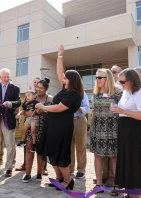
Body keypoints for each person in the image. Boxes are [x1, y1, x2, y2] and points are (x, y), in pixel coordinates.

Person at [36, 45, 83, 190]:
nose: (63, 77)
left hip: (62, 127)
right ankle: (59, 178)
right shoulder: (65, 88)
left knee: (60, 154)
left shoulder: (74, 94)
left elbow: (59, 108)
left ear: (72, 79)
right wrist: (60, 56)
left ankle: (68, 181)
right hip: (52, 125)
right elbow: (59, 71)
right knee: (51, 152)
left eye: (66, 77)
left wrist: (43, 107)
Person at [111, 68, 141, 198]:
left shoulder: (140, 93)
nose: (120, 84)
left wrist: (123, 111)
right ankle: (129, 191)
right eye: (119, 82)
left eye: (122, 82)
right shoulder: (126, 92)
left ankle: (135, 195)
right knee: (126, 160)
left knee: (132, 160)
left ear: (132, 80)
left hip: (132, 130)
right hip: (124, 130)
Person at [89, 69, 122, 193]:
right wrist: (91, 127)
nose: (97, 80)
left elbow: (122, 110)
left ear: (107, 78)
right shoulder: (96, 93)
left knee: (114, 156)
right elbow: (95, 111)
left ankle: (117, 185)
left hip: (113, 127)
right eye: (96, 78)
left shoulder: (118, 92)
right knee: (97, 155)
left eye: (100, 78)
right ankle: (99, 184)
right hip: (98, 127)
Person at [22, 78, 53, 182]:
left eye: (41, 88)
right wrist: (28, 113)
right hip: (31, 126)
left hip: (43, 127)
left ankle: (39, 173)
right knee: (28, 148)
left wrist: (43, 112)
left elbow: (52, 114)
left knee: (40, 151)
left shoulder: (50, 99)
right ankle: (27, 174)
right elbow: (24, 111)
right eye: (37, 87)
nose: (38, 90)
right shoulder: (31, 96)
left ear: (46, 88)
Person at [15, 77, 41, 172]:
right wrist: (22, 113)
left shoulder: (40, 97)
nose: (36, 84)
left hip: (37, 122)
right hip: (28, 121)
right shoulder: (29, 97)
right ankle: (25, 165)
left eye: (38, 82)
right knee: (27, 146)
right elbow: (24, 109)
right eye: (34, 82)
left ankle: (42, 169)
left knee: (40, 149)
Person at [69, 92, 89, 179]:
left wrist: (76, 106)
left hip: (79, 120)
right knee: (68, 147)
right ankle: (69, 168)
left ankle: (81, 170)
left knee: (80, 147)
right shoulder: (65, 93)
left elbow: (87, 108)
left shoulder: (82, 93)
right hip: (67, 121)